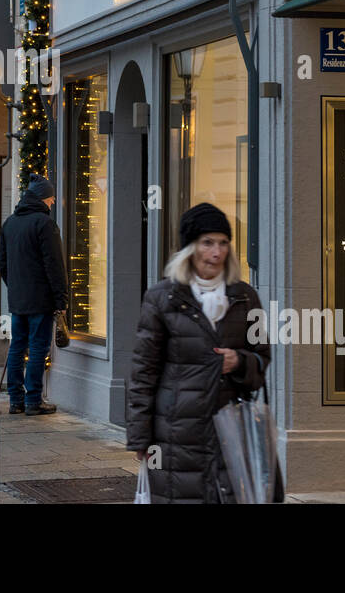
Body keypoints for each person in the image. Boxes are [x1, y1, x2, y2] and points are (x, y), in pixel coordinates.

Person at [125, 203, 271, 504]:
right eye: (207, 243)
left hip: (230, 431)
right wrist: (140, 437)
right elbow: (143, 372)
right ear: (190, 249)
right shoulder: (162, 298)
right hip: (175, 433)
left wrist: (240, 362)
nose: (216, 253)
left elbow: (262, 359)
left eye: (223, 243)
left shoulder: (245, 297)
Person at [0, 175, 69, 416]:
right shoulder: (44, 224)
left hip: (18, 300)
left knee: (17, 347)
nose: (52, 203)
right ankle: (34, 400)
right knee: (38, 348)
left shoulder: (10, 223)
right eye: (50, 199)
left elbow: (2, 265)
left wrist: (16, 287)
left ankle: (15, 400)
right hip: (40, 299)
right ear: (42, 198)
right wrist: (61, 300)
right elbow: (54, 265)